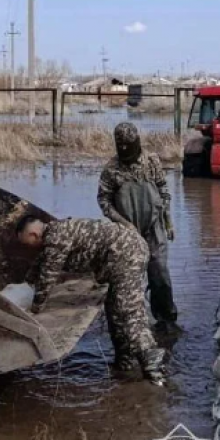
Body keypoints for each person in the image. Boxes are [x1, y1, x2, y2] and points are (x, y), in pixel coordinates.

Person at [17, 215, 167, 384]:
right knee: (113, 312)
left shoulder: (55, 239)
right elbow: (41, 263)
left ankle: (152, 361)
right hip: (123, 253)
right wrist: (27, 282)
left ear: (33, 236)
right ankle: (124, 361)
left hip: (127, 254)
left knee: (127, 311)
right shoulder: (55, 232)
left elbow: (47, 276)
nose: (27, 248)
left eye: (25, 243)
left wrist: (35, 309)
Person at [97, 122, 177, 329]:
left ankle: (166, 318)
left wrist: (167, 222)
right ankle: (132, 323)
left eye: (128, 146)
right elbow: (104, 202)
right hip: (127, 231)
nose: (125, 150)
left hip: (154, 227)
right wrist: (123, 224)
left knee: (159, 271)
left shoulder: (151, 162)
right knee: (129, 276)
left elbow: (163, 190)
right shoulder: (111, 170)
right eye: (121, 146)